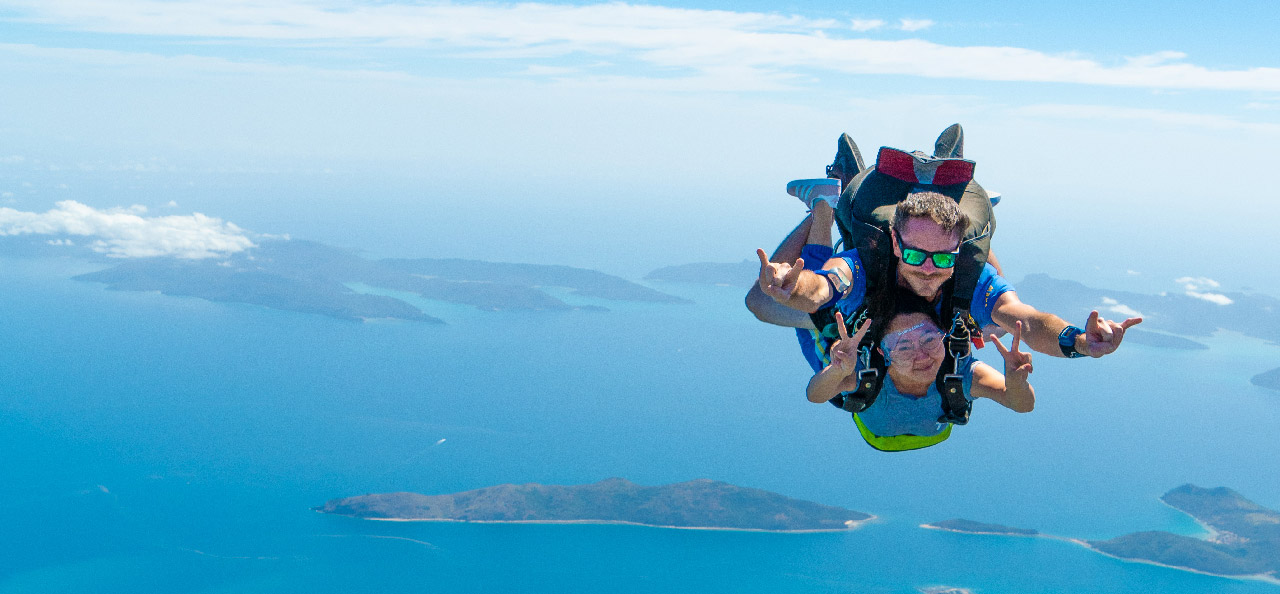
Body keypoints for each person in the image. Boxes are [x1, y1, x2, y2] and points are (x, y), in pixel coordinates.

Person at [748, 156, 1141, 361]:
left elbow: (1026, 319)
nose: (929, 269)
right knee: (762, 302)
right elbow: (822, 286)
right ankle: (822, 205)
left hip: (882, 343)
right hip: (859, 324)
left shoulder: (966, 271)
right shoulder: (864, 267)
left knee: (996, 319)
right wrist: (788, 283)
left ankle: (967, 215)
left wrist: (1076, 341)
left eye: (944, 258)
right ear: (896, 244)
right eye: (916, 254)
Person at [807, 303, 1034, 450]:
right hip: (914, 432)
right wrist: (838, 369)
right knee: (823, 332)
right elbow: (815, 395)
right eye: (904, 347)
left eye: (929, 339)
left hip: (877, 432)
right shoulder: (862, 369)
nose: (922, 356)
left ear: (943, 338)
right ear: (882, 353)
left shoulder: (959, 371)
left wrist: (1016, 383)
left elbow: (1021, 403)